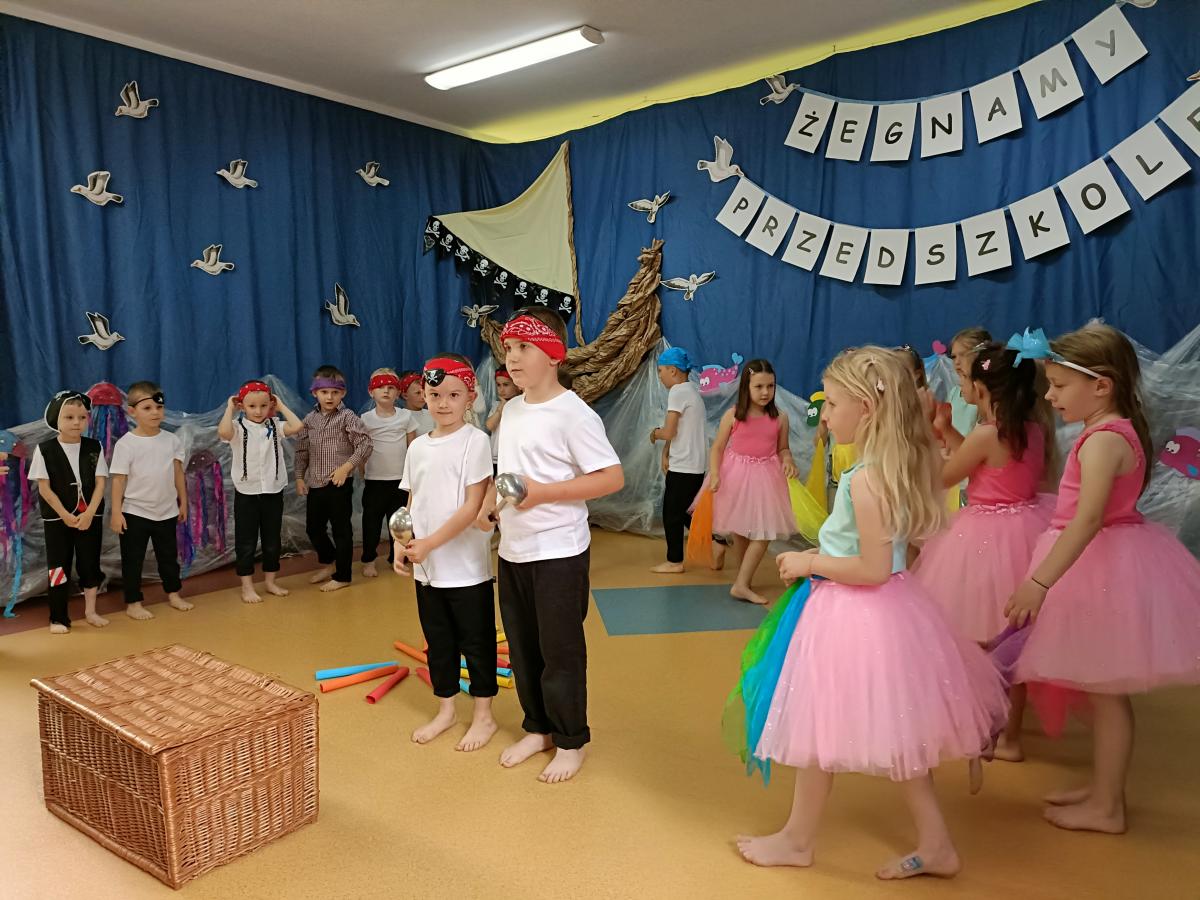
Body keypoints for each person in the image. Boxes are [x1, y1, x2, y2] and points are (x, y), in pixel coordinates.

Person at [730, 348, 1007, 881]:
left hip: (855, 614)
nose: (825, 415)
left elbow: (874, 567)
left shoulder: (865, 480)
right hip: (877, 612)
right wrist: (823, 556)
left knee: (824, 724)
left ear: (868, 408)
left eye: (833, 404)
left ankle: (802, 840)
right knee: (883, 735)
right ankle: (923, 843)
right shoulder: (885, 467)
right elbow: (880, 553)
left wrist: (809, 560)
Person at [1006, 324, 1200, 834]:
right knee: (1102, 692)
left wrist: (1040, 582)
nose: (1050, 396)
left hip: (1099, 565)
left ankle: (1108, 806)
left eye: (1059, 385)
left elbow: (1088, 518)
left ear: (1101, 385)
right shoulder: (1114, 433)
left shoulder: (1103, 441)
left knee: (1107, 695)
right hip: (1106, 561)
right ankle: (1102, 789)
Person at [476, 307, 624, 784]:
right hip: (514, 551)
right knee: (523, 648)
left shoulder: (574, 413)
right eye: (509, 348)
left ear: (554, 354)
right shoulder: (513, 410)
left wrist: (544, 494)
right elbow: (511, 474)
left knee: (560, 651)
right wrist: (493, 504)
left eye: (524, 347)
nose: (512, 357)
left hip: (559, 552)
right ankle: (538, 728)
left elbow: (611, 477)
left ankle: (571, 739)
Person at [396, 354, 497, 751]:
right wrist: (401, 542)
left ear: (469, 397)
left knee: (477, 642)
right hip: (427, 568)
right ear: (423, 395)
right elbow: (412, 500)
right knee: (438, 641)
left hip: (466, 568)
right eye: (435, 394)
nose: (442, 403)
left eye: (454, 395)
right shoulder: (418, 447)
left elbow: (472, 507)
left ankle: (484, 715)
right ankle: (446, 710)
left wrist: (430, 543)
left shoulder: (475, 441)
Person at [703, 359, 797, 605]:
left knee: (763, 532)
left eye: (770, 386)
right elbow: (717, 447)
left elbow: (783, 448)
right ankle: (742, 581)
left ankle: (742, 583)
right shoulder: (734, 415)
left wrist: (788, 460)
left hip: (766, 476)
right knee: (740, 530)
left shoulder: (781, 418)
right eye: (759, 386)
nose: (765, 392)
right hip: (736, 475)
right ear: (746, 387)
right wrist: (715, 473)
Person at [109, 381, 191, 619]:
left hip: (166, 511)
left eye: (159, 407)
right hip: (135, 512)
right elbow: (118, 480)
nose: (155, 412)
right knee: (133, 559)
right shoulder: (126, 444)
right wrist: (117, 512)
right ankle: (133, 602)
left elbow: (178, 472)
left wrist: (183, 502)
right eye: (147, 408)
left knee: (168, 557)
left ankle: (174, 593)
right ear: (132, 411)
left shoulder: (172, 440)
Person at [218, 380, 304, 602]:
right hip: (247, 494)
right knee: (246, 541)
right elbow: (224, 432)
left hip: (272, 492)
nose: (258, 411)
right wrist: (229, 408)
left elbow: (297, 426)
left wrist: (281, 406)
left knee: (272, 540)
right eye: (252, 406)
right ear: (242, 406)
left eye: (264, 405)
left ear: (270, 405)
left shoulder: (275, 425)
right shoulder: (237, 427)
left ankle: (270, 581)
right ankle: (247, 586)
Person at [29, 390, 109, 631]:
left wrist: (89, 513)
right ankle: (58, 617)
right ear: (57, 419)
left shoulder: (94, 447)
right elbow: (44, 488)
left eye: (82, 417)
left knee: (90, 564)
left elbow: (100, 483)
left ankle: (91, 611)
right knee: (58, 567)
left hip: (89, 518)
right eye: (69, 417)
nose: (76, 423)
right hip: (58, 520)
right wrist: (64, 515)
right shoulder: (45, 449)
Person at [294, 365, 372, 592]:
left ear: (343, 393)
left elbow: (365, 444)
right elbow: (302, 451)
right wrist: (299, 477)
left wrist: (345, 468)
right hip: (316, 483)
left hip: (338, 483)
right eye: (324, 392)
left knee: (341, 530)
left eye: (335, 392)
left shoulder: (348, 417)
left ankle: (343, 575)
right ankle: (330, 563)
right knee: (313, 528)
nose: (329, 397)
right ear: (314, 393)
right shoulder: (309, 420)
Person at [649, 347, 706, 574]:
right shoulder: (691, 390)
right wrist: (666, 453)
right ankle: (715, 541)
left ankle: (674, 561)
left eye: (661, 370)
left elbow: (669, 431)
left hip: (684, 465)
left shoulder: (678, 392)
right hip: (695, 464)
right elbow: (679, 430)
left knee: (671, 514)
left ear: (673, 370)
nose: (660, 375)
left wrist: (654, 433)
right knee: (685, 512)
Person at [360, 368, 417, 578]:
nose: (386, 391)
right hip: (375, 480)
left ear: (398, 392)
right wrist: (363, 472)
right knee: (371, 524)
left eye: (391, 387)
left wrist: (412, 476)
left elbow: (413, 447)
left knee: (399, 523)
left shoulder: (405, 416)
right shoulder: (365, 419)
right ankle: (369, 560)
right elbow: (361, 448)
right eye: (380, 387)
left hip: (400, 481)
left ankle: (397, 557)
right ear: (371, 392)